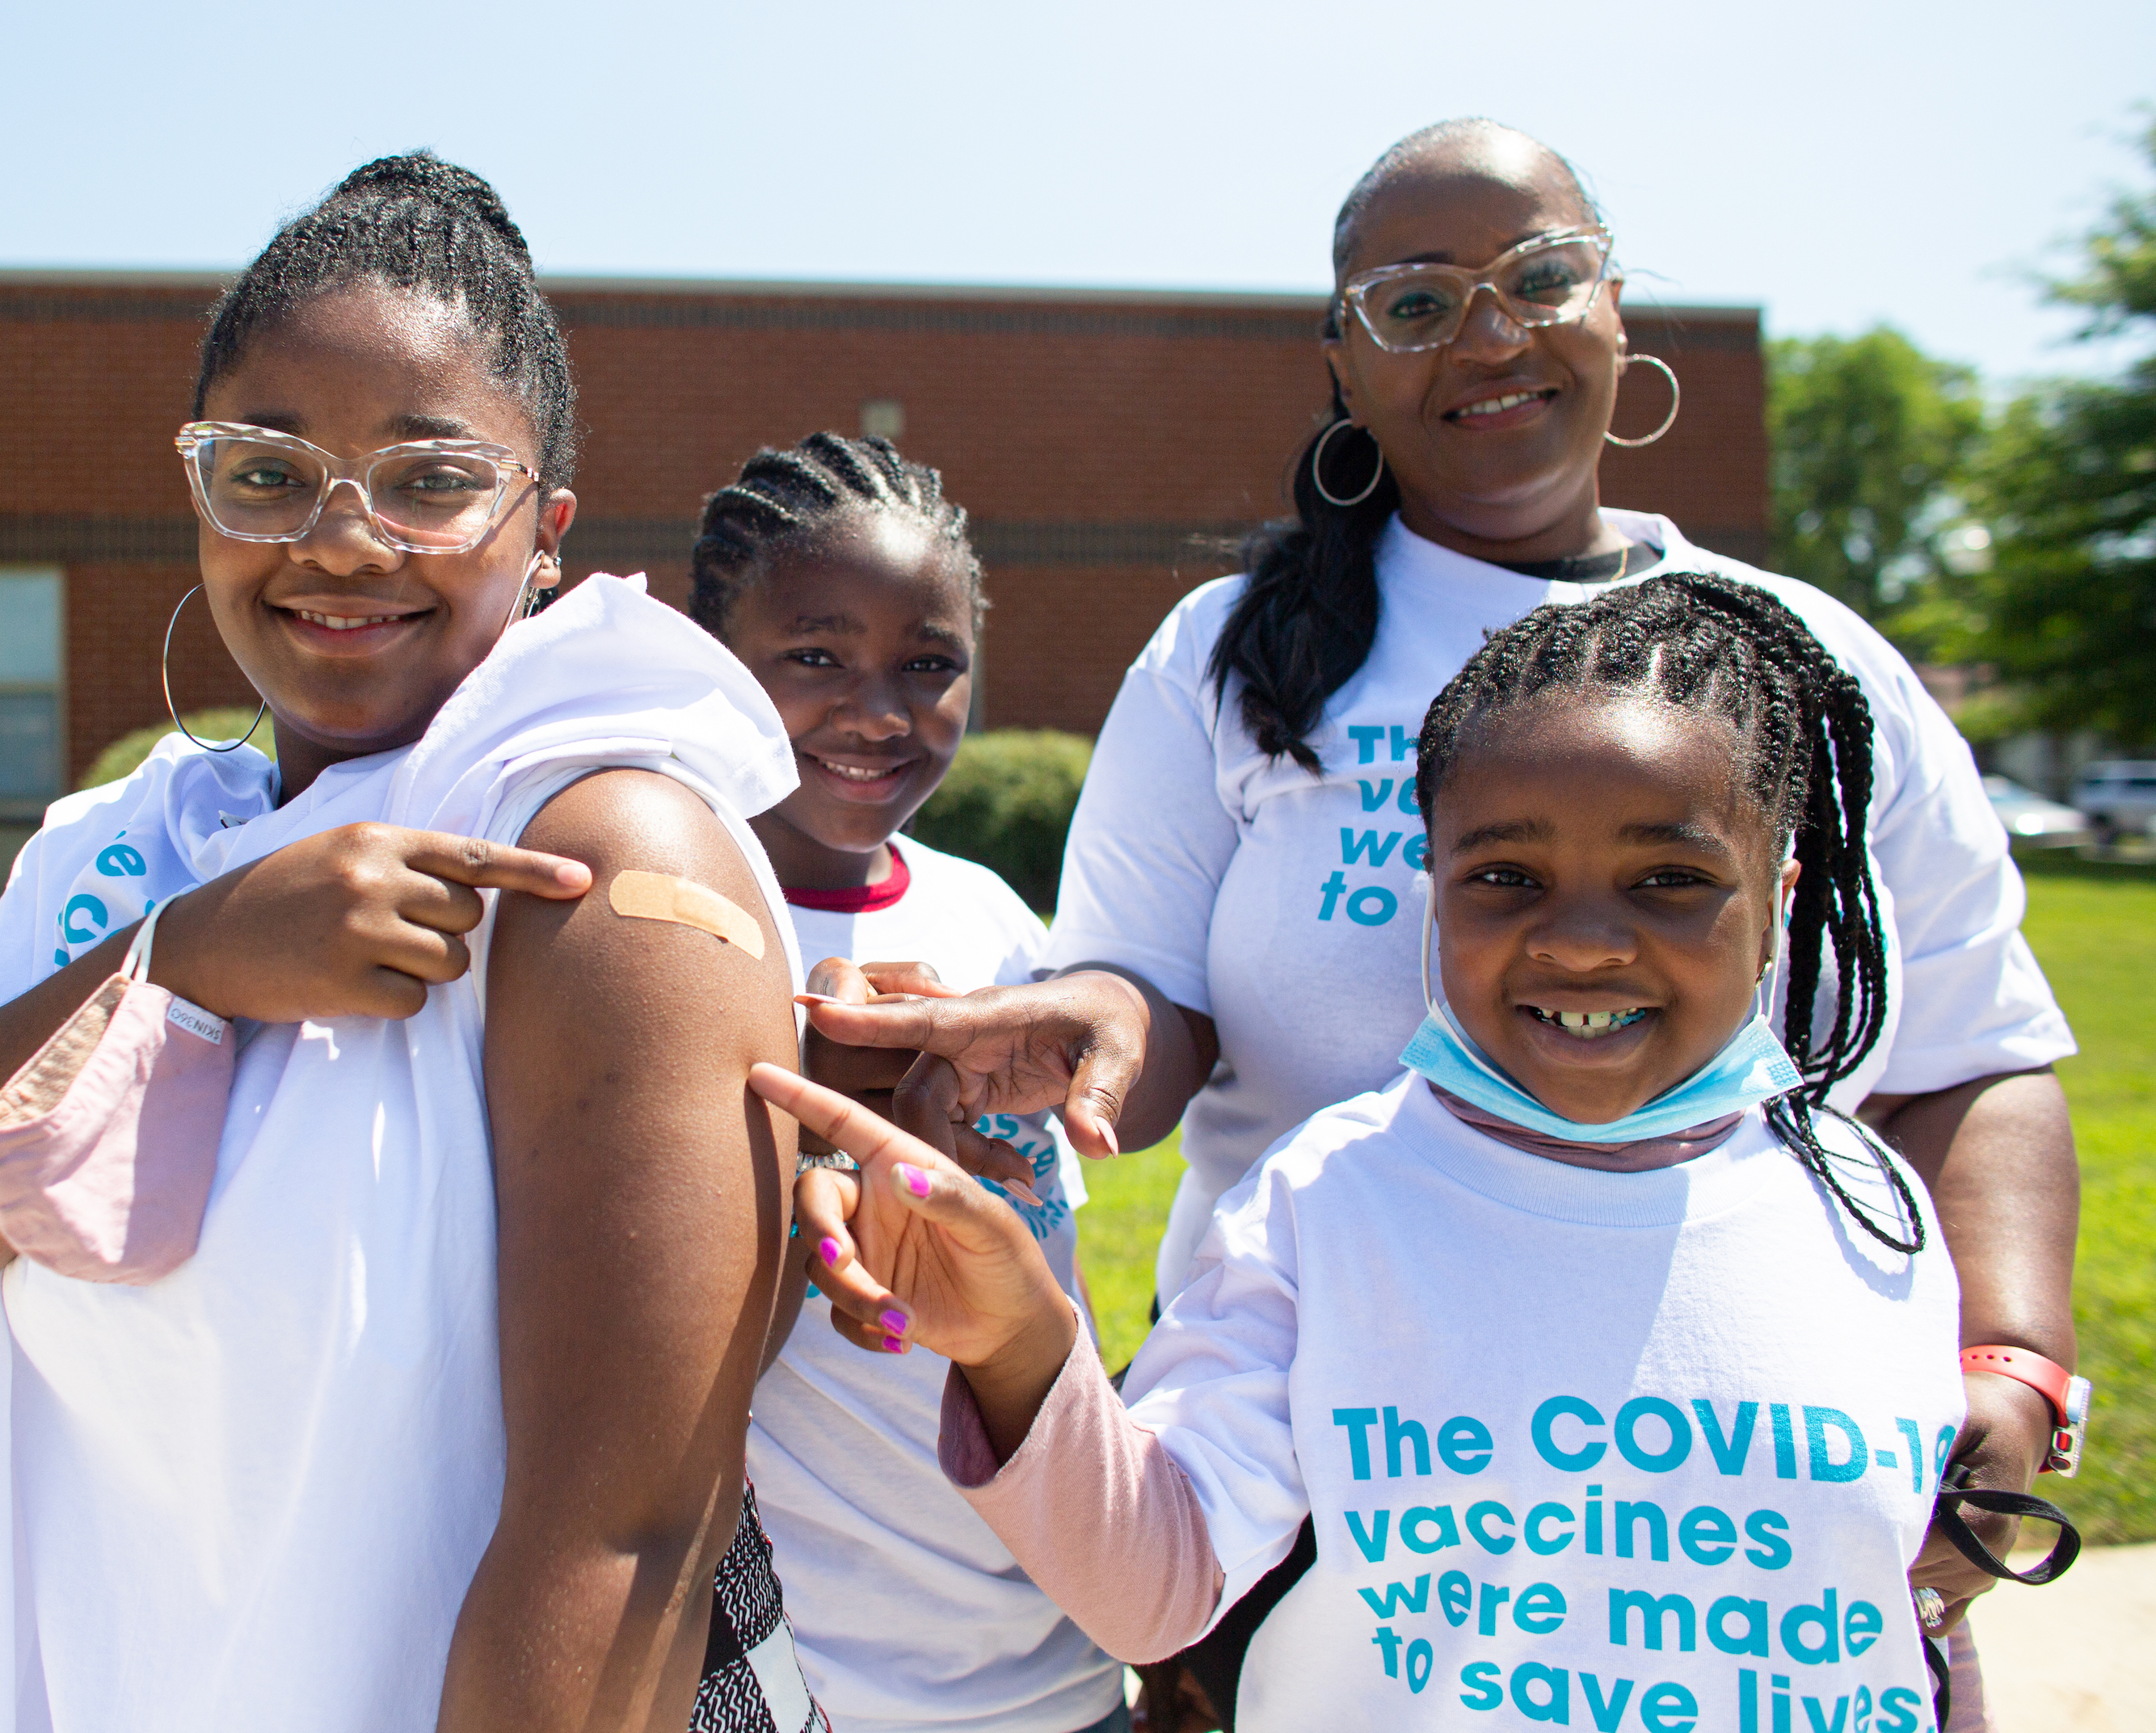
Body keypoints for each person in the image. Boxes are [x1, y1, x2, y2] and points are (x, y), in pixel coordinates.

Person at [802, 118, 2078, 1719]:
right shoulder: (1237, 653)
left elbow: (1982, 1048)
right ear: (1343, 356)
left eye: (1540, 277)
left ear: (1618, 307)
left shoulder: (1808, 665)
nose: (1491, 334)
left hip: (1739, 1493)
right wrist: (1082, 1037)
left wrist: (2011, 1365)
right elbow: (1147, 981)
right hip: (1330, 1459)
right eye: (1415, 301)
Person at [0, 155, 821, 1733]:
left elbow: (623, 1541)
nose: (343, 543)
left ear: (544, 525)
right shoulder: (130, 849)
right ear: (199, 492)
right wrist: (186, 954)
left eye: (427, 480)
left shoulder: (607, 861)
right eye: (269, 475)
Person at [773, 574, 1965, 1733]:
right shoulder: (1325, 1202)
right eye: (1507, 876)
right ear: (1434, 894)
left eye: (1672, 879)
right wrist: (1017, 1338)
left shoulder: (1869, 1209)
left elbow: (1911, 1622)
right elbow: (1153, 1586)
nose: (1589, 941)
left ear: (1777, 893)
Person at [688, 432, 1129, 1733]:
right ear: (720, 665)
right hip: (820, 1669)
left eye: (927, 665)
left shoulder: (990, 916)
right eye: (815, 657)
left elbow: (1057, 1270)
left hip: (1052, 1651)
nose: (878, 711)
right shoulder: (675, 925)